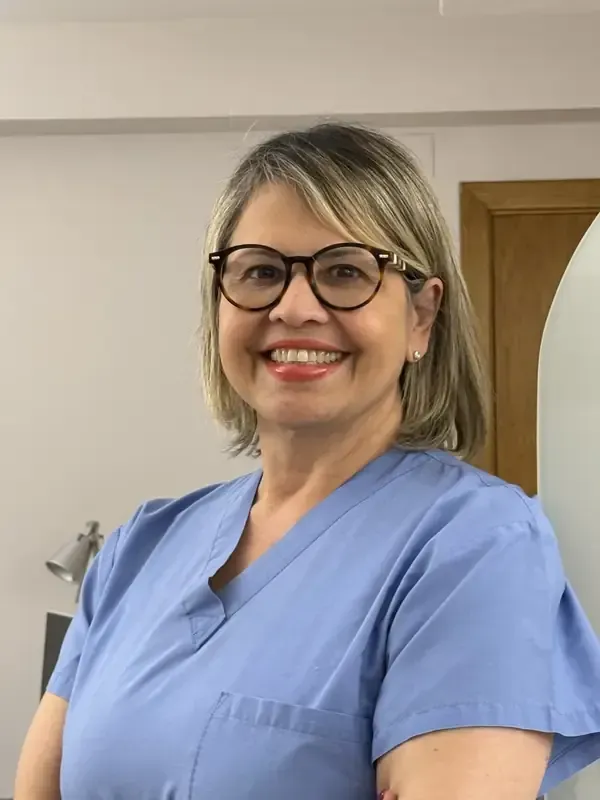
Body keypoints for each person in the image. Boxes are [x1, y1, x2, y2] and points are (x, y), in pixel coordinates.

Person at [15, 123, 600, 800]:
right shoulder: (138, 550)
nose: (295, 308)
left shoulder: (473, 545)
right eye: (261, 271)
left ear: (421, 317)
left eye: (346, 271)